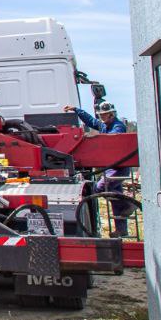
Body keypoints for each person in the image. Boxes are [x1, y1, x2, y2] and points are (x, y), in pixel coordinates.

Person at [65, 101, 135, 236]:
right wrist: (77, 110)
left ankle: (128, 204)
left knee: (99, 188)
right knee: (115, 200)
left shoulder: (118, 126)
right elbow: (91, 121)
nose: (102, 117)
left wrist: (97, 138)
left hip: (118, 167)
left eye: (105, 115)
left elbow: (112, 139)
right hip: (110, 167)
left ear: (111, 114)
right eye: (101, 115)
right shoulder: (103, 125)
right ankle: (122, 229)